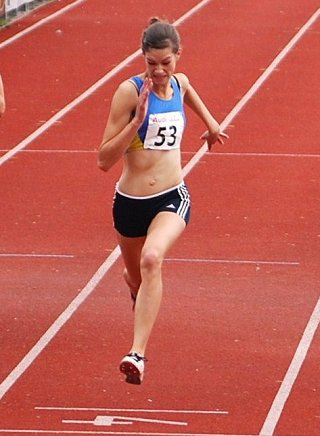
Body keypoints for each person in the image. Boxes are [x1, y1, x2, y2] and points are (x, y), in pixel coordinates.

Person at [98, 17, 228, 384]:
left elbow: (189, 92)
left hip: (171, 195)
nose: (158, 71)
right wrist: (136, 121)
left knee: (152, 259)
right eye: (151, 63)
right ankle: (137, 293)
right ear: (143, 57)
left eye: (165, 63)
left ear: (177, 57)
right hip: (129, 202)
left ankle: (137, 355)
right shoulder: (128, 92)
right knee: (135, 276)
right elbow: (104, 160)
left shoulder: (180, 82)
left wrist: (213, 125)